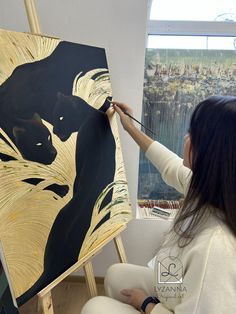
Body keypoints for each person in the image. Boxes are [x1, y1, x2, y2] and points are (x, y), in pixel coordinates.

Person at [81, 95, 236, 314]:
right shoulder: (211, 187)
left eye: (193, 134)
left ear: (213, 153)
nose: (186, 137)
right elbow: (168, 163)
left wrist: (147, 305)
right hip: (174, 283)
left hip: (174, 297)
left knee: (94, 307)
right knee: (115, 274)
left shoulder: (216, 249)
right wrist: (131, 128)